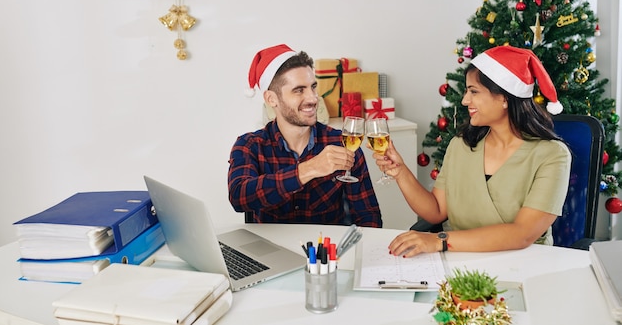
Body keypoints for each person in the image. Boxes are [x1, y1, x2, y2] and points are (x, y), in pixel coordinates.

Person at [374, 45, 570, 256]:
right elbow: (436, 211)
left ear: (504, 97)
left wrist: (439, 241)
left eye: (474, 92)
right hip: (459, 262)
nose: (465, 100)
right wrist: (401, 172)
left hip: (522, 264)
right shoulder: (461, 145)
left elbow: (522, 234)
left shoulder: (552, 155)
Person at [228, 44, 382, 227]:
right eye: (299, 90)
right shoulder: (250, 145)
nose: (313, 98)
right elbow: (239, 197)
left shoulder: (342, 144)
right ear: (271, 99)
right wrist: (310, 169)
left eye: (313, 87)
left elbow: (369, 218)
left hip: (328, 251)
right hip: (271, 251)